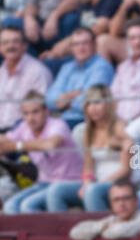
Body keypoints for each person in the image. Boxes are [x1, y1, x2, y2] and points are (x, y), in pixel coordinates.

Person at [0, 89, 81, 212]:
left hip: (69, 182)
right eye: (26, 113)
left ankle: (45, 232)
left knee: (28, 206)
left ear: (46, 111)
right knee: (10, 206)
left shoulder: (57, 124)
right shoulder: (25, 127)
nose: (30, 118)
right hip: (44, 183)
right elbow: (5, 139)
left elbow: (50, 144)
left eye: (35, 112)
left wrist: (17, 146)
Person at [55, 83, 128, 211]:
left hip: (121, 181)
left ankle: (97, 228)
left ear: (108, 104)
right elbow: (88, 167)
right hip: (98, 183)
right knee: (56, 191)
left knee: (92, 191)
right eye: (89, 104)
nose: (93, 108)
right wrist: (86, 183)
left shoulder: (121, 127)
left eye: (97, 103)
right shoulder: (87, 131)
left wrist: (98, 185)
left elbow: (130, 166)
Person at [0, 24, 51, 136]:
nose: (10, 46)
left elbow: (41, 112)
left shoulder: (38, 72)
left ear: (24, 46)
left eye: (15, 41)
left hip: (26, 135)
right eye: (5, 43)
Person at [45, 27, 113, 126]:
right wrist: (72, 96)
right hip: (62, 121)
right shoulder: (67, 68)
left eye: (85, 43)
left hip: (87, 122)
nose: (80, 48)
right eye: (76, 44)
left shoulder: (101, 67)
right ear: (71, 48)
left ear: (94, 45)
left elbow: (89, 103)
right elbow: (49, 100)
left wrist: (65, 100)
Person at [39, 0, 121, 68]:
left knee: (52, 64)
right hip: (84, 50)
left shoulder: (110, 0)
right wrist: (54, 52)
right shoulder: (84, 4)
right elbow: (80, 34)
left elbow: (98, 29)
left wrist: (63, 47)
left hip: (98, 54)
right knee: (48, 61)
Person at [68, 178, 140, 240]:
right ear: (111, 204)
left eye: (126, 198)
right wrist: (103, 227)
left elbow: (118, 231)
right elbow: (74, 232)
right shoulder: (111, 220)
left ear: (136, 201)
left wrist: (103, 229)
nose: (121, 204)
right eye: (116, 200)